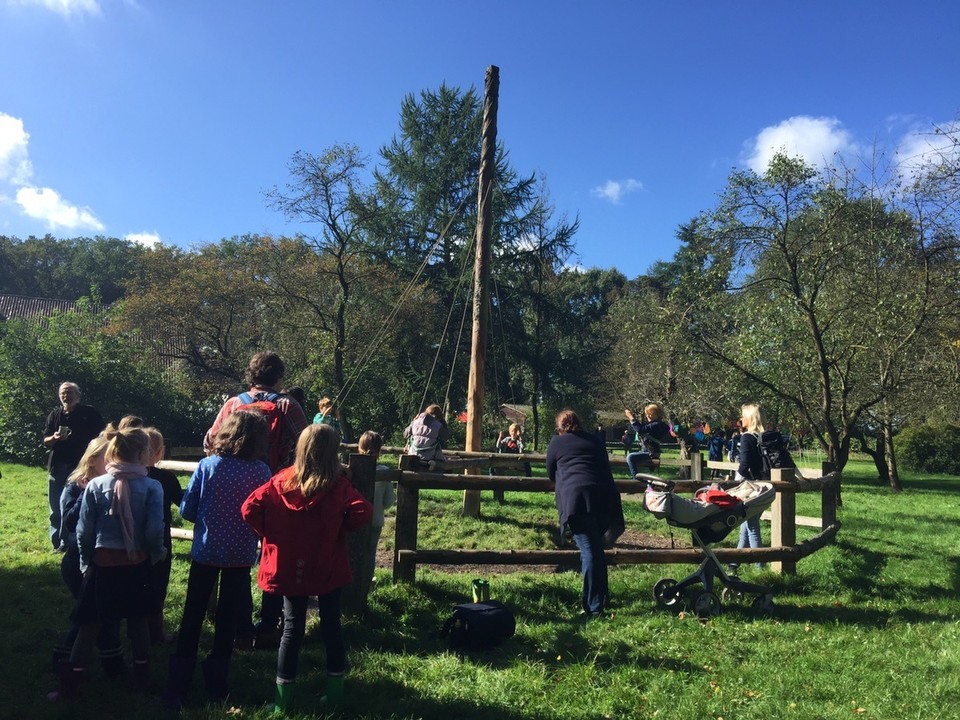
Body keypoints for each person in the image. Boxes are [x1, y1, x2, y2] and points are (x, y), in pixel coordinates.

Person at [242, 424, 372, 713]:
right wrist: (343, 527)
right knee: (331, 626)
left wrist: (270, 533)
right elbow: (363, 510)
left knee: (291, 629)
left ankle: (282, 702)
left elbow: (249, 508)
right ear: (333, 453)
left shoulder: (280, 482)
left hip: (288, 564)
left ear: (300, 450)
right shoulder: (338, 486)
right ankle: (335, 695)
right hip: (326, 563)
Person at [163, 411, 272, 709]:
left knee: (193, 615)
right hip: (240, 553)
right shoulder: (261, 471)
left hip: (206, 550)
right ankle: (217, 683)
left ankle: (177, 686)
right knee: (228, 619)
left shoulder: (208, 466)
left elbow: (188, 509)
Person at [49, 427, 164, 700]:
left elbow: (84, 529)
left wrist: (86, 560)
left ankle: (70, 686)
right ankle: (141, 682)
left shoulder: (97, 484)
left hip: (102, 567)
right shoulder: (151, 486)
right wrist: (156, 553)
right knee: (138, 623)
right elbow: (153, 530)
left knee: (89, 625)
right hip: (136, 566)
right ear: (142, 453)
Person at [203, 351, 308, 648]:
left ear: (251, 374)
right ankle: (269, 626)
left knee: (239, 557)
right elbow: (307, 443)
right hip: (276, 489)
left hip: (236, 489)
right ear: (279, 376)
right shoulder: (288, 404)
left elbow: (210, 441)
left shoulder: (234, 403)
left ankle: (241, 626)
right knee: (273, 555)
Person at [51, 431, 123, 681]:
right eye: (110, 457)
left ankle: (77, 660)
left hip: (104, 561)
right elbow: (69, 522)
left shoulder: (115, 485)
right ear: (93, 460)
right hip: (77, 562)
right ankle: (108, 665)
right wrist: (86, 493)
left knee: (97, 614)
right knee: (91, 616)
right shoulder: (75, 486)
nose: (115, 462)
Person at [546, 409, 623, 618]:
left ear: (560, 427)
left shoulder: (556, 442)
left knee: (589, 551)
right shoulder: (595, 441)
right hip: (604, 497)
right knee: (596, 549)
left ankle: (594, 606)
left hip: (578, 499)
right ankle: (602, 596)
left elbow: (550, 470)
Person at [43, 382, 105, 550]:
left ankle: (73, 541)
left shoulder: (89, 413)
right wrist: (54, 438)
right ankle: (57, 543)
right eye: (63, 393)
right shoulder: (55, 415)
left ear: (78, 395)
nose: (66, 396)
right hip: (58, 466)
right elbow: (46, 440)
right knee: (55, 506)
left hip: (82, 467)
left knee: (77, 505)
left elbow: (102, 436)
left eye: (70, 392)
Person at [143, 427, 184, 645]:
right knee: (158, 586)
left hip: (131, 539)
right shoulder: (165, 478)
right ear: (160, 451)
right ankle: (156, 634)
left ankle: (134, 631)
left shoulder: (123, 476)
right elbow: (182, 502)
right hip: (159, 539)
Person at [732, 403, 769, 570]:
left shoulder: (747, 437)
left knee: (752, 526)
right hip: (766, 487)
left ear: (750, 418)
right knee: (745, 526)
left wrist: (734, 484)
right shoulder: (765, 437)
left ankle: (760, 567)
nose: (741, 419)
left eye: (743, 416)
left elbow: (744, 464)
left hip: (752, 488)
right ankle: (734, 564)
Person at [357, 430, 395, 583]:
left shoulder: (352, 468)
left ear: (359, 448)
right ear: (379, 451)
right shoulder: (384, 472)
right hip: (376, 519)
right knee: (370, 552)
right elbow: (389, 502)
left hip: (355, 519)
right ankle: (367, 581)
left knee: (354, 550)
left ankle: (353, 581)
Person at [623, 404, 671, 477]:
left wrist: (631, 417)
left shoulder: (657, 425)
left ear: (657, 414)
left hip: (651, 453)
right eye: (647, 414)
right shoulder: (656, 425)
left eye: (650, 414)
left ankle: (635, 478)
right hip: (649, 451)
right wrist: (633, 418)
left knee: (630, 457)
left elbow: (640, 429)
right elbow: (641, 428)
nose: (648, 416)